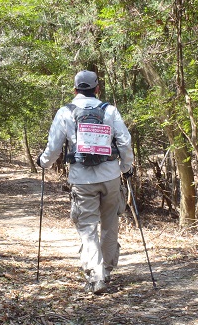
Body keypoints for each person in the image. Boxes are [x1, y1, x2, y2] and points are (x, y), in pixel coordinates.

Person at [36, 70, 134, 294]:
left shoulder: (65, 112)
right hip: (110, 176)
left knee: (88, 227)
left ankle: (96, 274)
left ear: (75, 89)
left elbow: (53, 147)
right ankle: (106, 271)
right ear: (97, 89)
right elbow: (125, 141)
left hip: (81, 179)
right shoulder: (109, 110)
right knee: (110, 225)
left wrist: (43, 163)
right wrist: (125, 167)